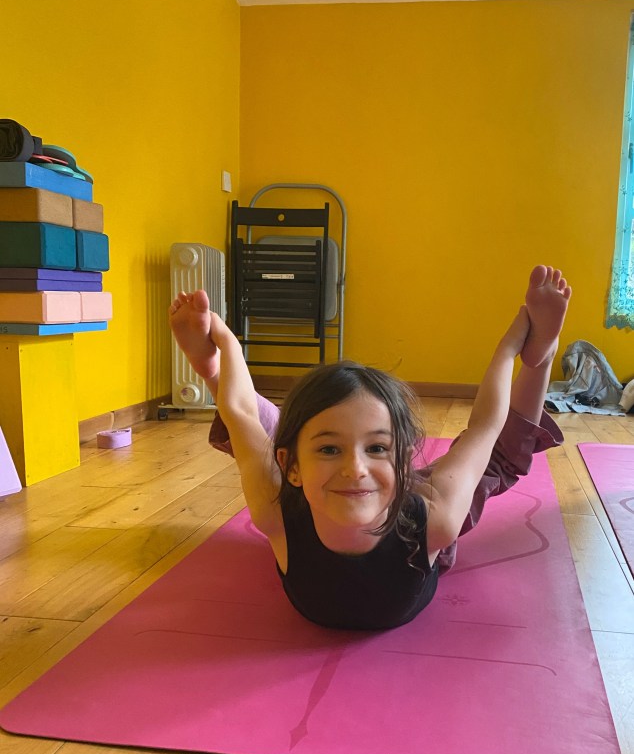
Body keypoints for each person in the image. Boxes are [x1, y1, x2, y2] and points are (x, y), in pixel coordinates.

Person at [169, 265, 571, 631]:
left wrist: (516, 350)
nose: (355, 468)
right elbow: (239, 413)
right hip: (333, 474)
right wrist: (223, 351)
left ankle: (543, 357)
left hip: (409, 509)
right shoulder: (279, 509)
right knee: (277, 434)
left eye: (377, 448)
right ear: (290, 469)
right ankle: (234, 384)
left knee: (494, 461)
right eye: (331, 451)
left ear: (403, 457)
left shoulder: (434, 522)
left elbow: (487, 426)